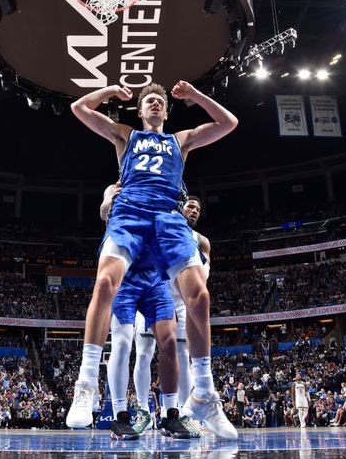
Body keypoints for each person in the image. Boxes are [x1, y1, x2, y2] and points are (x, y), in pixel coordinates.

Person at [66, 81, 238, 440]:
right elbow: (80, 108)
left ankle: (203, 392)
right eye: (150, 102)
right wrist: (110, 90)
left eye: (160, 101)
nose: (156, 104)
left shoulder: (180, 140)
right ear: (141, 111)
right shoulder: (125, 137)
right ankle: (86, 384)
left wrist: (195, 97)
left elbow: (228, 123)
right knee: (104, 284)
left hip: (166, 216)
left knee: (200, 297)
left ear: (166, 110)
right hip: (130, 212)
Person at [99, 183, 190, 440]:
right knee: (122, 343)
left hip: (154, 282)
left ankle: (171, 415)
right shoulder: (118, 187)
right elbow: (104, 211)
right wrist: (110, 202)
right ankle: (120, 416)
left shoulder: (164, 188)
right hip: (125, 279)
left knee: (170, 343)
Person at [134, 195, 212, 438]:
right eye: (191, 206)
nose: (195, 211)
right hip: (153, 295)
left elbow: (203, 275)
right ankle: (143, 411)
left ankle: (183, 415)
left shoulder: (202, 241)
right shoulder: (160, 227)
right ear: (181, 208)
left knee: (182, 355)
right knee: (145, 352)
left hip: (180, 301)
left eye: (198, 208)